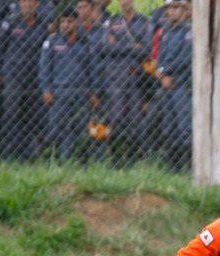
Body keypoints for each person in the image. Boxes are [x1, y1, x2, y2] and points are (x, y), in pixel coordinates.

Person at [38, 6, 100, 160]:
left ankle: (77, 162)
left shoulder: (85, 42)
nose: (66, 25)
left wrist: (94, 92)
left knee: (80, 129)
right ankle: (56, 161)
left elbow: (92, 69)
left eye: (70, 21)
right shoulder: (51, 41)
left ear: (77, 22)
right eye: (63, 21)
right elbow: (44, 68)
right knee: (58, 129)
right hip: (59, 94)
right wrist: (46, 89)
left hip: (81, 94)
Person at [99, 0, 152, 165]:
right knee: (115, 120)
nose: (124, 2)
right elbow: (105, 49)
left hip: (136, 80)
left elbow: (146, 49)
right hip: (116, 79)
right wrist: (132, 46)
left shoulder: (145, 22)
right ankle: (114, 160)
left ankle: (135, 160)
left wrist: (119, 45)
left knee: (135, 122)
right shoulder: (112, 22)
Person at [0, 0, 48, 160]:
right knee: (11, 113)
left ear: (37, 4)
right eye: (24, 2)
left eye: (31, 2)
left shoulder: (43, 24)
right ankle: (9, 154)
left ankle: (30, 155)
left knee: (32, 115)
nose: (27, 5)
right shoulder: (10, 22)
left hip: (34, 76)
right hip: (13, 75)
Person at [152, 0, 191, 170]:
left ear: (184, 11)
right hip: (165, 84)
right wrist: (161, 74)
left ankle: (187, 166)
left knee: (184, 126)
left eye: (177, 8)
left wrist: (165, 70)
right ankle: (172, 168)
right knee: (168, 126)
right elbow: (160, 55)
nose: (173, 12)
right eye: (170, 8)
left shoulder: (189, 32)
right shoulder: (165, 31)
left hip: (181, 84)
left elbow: (186, 57)